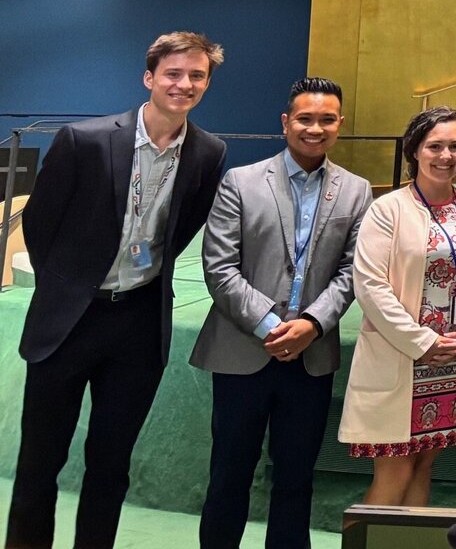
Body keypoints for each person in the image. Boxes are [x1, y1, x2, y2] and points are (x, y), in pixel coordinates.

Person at [8, 32, 229, 549]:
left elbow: (184, 228)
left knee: (111, 466)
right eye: (174, 73)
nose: (185, 84)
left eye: (197, 76)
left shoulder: (208, 152)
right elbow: (40, 225)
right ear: (149, 78)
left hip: (137, 324)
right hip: (68, 320)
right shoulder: (84, 140)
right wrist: (71, 285)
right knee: (40, 462)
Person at [192, 77, 373, 549]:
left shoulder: (356, 192)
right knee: (229, 475)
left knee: (296, 480)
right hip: (242, 352)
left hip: (310, 359)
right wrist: (274, 327)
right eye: (306, 118)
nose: (315, 128)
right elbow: (220, 267)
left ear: (340, 125)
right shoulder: (240, 181)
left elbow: (354, 270)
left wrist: (310, 325)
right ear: (286, 122)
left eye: (327, 119)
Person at [338, 107, 456, 505]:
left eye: (455, 146)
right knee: (396, 470)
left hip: (452, 361)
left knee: (423, 467)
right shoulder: (387, 209)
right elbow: (370, 287)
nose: (445, 155)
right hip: (403, 357)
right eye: (434, 146)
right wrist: (424, 342)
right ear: (415, 151)